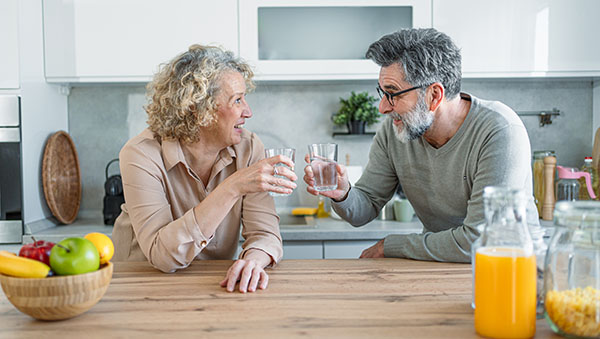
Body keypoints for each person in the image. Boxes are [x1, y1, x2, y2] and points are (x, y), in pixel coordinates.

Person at [303, 28, 539, 263]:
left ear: (434, 95)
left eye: (393, 94)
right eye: (382, 93)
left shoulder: (500, 131)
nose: (382, 107)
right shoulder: (394, 131)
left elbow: (479, 242)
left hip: (510, 271)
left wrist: (392, 245)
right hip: (436, 267)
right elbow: (365, 207)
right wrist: (342, 193)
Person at [112, 45, 297, 293]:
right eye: (238, 100)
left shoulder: (249, 148)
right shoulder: (141, 154)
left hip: (215, 284)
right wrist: (232, 187)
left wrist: (254, 260)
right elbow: (162, 256)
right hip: (143, 285)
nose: (248, 111)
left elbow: (265, 233)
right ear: (199, 109)